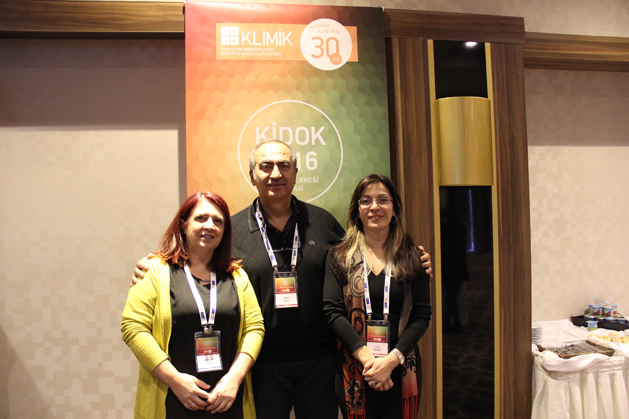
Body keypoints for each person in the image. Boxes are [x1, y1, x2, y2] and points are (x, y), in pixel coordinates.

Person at [132, 140, 432, 419]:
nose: (275, 174)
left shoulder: (323, 222)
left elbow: (360, 257)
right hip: (262, 365)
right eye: (266, 166)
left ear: (296, 173)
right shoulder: (232, 230)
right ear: (252, 175)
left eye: (284, 166)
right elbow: (198, 258)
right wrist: (154, 264)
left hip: (320, 362)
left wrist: (414, 262)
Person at [121, 191, 264, 419]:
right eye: (201, 218)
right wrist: (175, 380)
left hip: (227, 400)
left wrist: (234, 379)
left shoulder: (237, 276)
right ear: (183, 224)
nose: (210, 226)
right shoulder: (154, 271)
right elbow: (133, 327)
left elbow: (254, 328)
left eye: (218, 221)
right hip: (172, 397)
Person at [323, 174, 431, 419]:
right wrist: (370, 361)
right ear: (357, 210)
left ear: (394, 210)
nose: (374, 207)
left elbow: (422, 316)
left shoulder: (414, 258)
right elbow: (333, 312)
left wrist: (390, 362)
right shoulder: (339, 257)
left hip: (401, 367)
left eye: (383, 200)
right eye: (366, 200)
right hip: (356, 368)